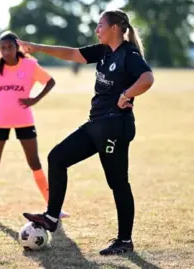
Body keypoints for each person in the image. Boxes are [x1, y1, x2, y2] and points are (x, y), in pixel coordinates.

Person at [19, 9, 155, 255]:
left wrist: (126, 95)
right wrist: (35, 47)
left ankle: (124, 240)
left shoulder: (129, 54)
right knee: (57, 157)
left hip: (115, 127)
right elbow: (72, 53)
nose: (97, 29)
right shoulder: (103, 51)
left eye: (100, 25)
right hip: (96, 124)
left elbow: (147, 78)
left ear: (114, 28)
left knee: (118, 183)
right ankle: (51, 217)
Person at [0, 31, 68, 220]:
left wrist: (35, 99)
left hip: (25, 119)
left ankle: (53, 207)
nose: (6, 51)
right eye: (3, 48)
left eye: (10, 47)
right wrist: (3, 109)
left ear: (17, 47)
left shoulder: (30, 65)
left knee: (34, 162)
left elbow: (50, 81)